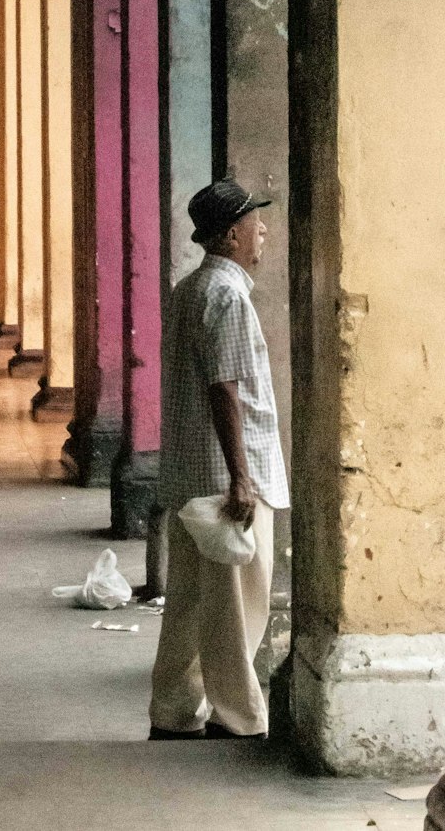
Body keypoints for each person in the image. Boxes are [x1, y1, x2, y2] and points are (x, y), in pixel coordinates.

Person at [149, 178, 289, 743]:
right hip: (224, 476)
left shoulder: (189, 289)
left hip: (188, 473)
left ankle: (175, 710)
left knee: (187, 600)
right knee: (237, 604)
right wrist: (241, 477)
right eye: (256, 225)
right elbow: (224, 389)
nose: (264, 234)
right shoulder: (228, 297)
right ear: (232, 235)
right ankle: (238, 717)